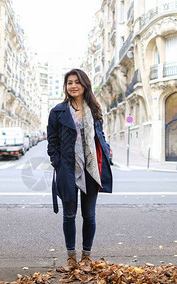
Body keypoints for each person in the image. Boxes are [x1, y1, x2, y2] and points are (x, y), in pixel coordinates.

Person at [47, 68, 113, 272]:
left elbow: (100, 136)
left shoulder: (94, 109)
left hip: (91, 168)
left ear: (84, 85)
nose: (73, 86)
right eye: (69, 83)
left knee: (89, 215)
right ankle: (70, 259)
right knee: (68, 215)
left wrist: (107, 151)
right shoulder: (58, 112)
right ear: (66, 87)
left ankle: (86, 257)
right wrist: (57, 162)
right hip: (67, 168)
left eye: (77, 82)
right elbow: (52, 141)